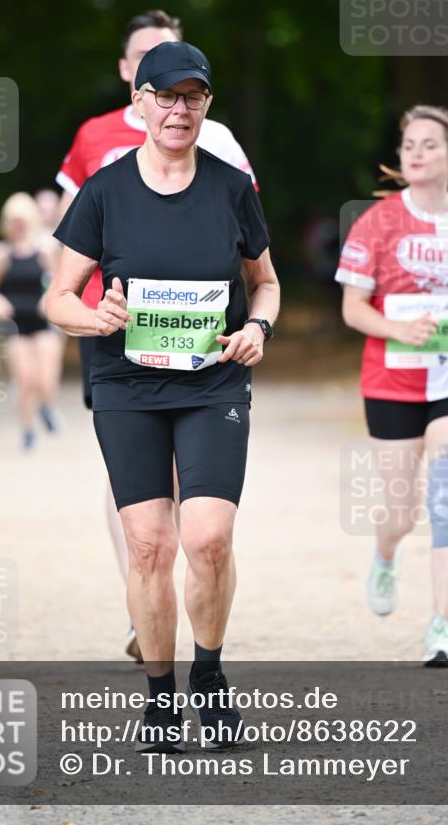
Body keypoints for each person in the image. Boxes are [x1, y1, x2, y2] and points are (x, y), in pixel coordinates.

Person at [47, 41, 280, 750]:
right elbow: (57, 298)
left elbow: (264, 281)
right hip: (127, 383)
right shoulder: (105, 190)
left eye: (194, 97)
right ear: (141, 102)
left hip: (212, 381)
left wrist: (259, 326)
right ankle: (158, 699)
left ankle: (207, 680)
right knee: (148, 546)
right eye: (167, 96)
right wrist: (96, 318)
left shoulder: (230, 186)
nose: (180, 110)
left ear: (206, 105)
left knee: (207, 539)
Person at [335, 105, 448, 667]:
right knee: (401, 509)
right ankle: (386, 556)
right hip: (391, 379)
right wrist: (397, 328)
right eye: (408, 144)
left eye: (429, 145)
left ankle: (442, 630)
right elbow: (353, 309)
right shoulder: (377, 222)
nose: (414, 153)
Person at [0, 193, 63, 451]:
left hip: (41, 320)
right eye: (14, 221)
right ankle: (27, 429)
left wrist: (47, 299)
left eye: (22, 220)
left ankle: (47, 405)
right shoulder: (0, 252)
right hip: (14, 323)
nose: (18, 225)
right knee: (26, 378)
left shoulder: (45, 249)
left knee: (46, 378)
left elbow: (59, 282)